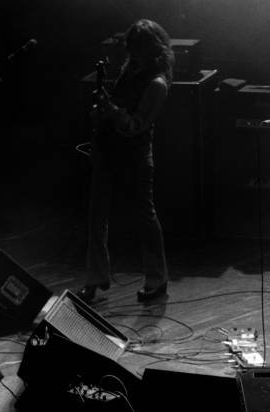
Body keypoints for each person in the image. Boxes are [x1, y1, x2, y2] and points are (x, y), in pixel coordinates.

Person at [78, 19, 173, 303]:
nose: (129, 55)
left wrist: (112, 110)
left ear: (148, 49)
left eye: (134, 49)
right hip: (109, 150)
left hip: (135, 155)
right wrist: (103, 109)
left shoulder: (157, 84)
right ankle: (95, 279)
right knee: (97, 216)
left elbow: (135, 126)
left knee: (144, 216)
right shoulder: (131, 68)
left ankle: (157, 280)